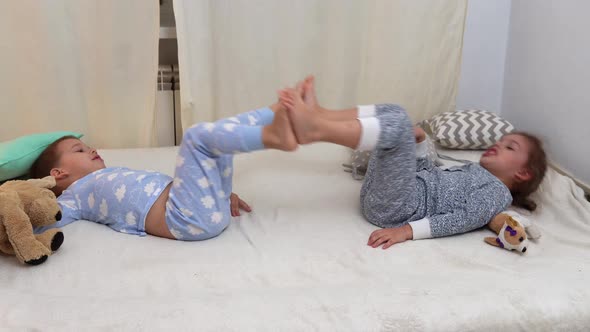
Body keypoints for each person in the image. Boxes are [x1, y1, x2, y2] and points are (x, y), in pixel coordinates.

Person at [278, 76, 547, 249]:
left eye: (509, 147)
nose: (497, 145)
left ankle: (315, 130)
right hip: (391, 193)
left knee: (397, 125)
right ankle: (321, 115)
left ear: (522, 173)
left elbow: (461, 219)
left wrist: (406, 232)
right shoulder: (472, 170)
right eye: (500, 141)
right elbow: (427, 177)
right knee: (396, 112)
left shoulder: (496, 193)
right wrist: (417, 147)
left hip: (398, 209)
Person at [31, 102, 298, 240]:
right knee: (196, 136)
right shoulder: (74, 196)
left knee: (216, 137)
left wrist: (219, 193)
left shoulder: (107, 175)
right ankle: (271, 132)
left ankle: (275, 112)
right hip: (183, 219)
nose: (91, 150)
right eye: (79, 150)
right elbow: (41, 220)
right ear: (58, 173)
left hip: (202, 208)